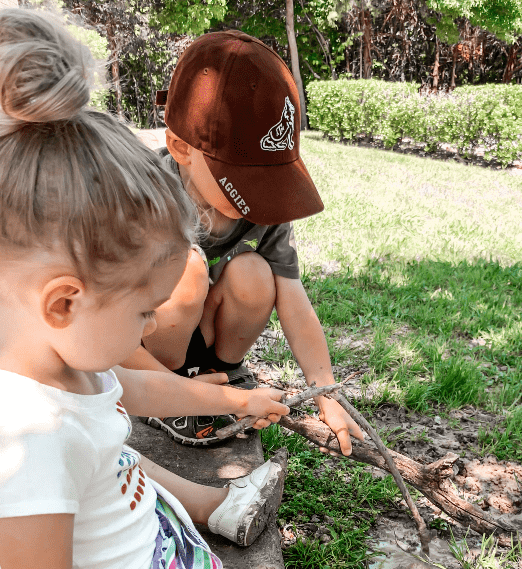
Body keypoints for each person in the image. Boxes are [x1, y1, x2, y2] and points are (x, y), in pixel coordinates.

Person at [0, 9, 441, 569]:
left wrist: (221, 396)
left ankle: (214, 508)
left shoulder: (56, 363)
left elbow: (129, 387)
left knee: (122, 455)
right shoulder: (28, 439)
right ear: (63, 301)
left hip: (127, 528)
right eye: (139, 314)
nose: (145, 330)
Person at [121, 30, 363, 454]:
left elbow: (293, 298)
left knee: (256, 272)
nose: (259, 199)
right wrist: (171, 389)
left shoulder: (261, 210)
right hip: (149, 343)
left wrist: (325, 390)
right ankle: (173, 395)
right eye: (247, 179)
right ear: (181, 147)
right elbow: (111, 325)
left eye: (270, 180)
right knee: (185, 267)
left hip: (208, 329)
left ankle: (224, 370)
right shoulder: (145, 197)